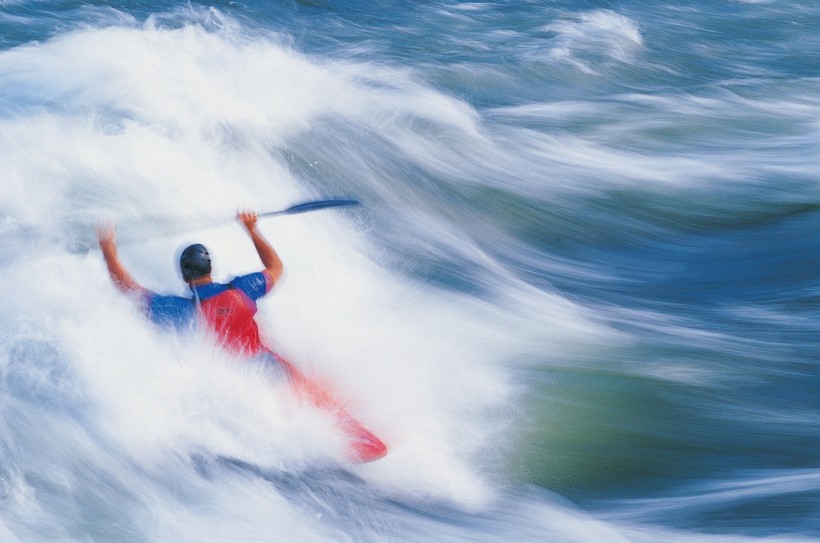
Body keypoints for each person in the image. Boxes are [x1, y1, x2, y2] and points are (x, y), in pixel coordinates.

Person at [97, 211, 283, 357]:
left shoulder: (181, 310)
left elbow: (131, 290)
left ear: (185, 278)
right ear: (210, 269)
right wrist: (251, 229)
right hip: (271, 363)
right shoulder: (243, 288)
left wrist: (109, 254)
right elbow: (275, 267)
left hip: (245, 378)